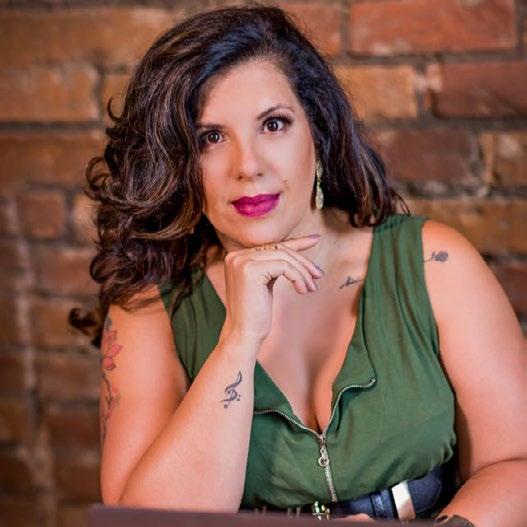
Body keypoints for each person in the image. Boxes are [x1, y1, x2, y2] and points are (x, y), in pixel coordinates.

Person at [69, 4, 526, 526]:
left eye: (274, 124)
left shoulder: (434, 262)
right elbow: (148, 521)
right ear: (176, 161)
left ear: (318, 132)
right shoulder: (149, 307)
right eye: (209, 138)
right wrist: (238, 340)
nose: (248, 166)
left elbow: (515, 464)